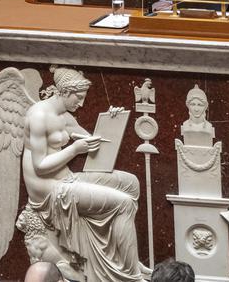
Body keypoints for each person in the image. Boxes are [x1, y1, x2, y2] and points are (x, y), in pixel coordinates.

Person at [22, 67, 149, 281]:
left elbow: (92, 141)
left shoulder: (64, 116)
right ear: (64, 91)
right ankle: (130, 275)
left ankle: (126, 256)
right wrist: (73, 149)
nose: (80, 104)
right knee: (124, 204)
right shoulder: (39, 115)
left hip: (66, 180)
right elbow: (40, 165)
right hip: (50, 193)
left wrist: (112, 119)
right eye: (78, 98)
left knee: (131, 183)